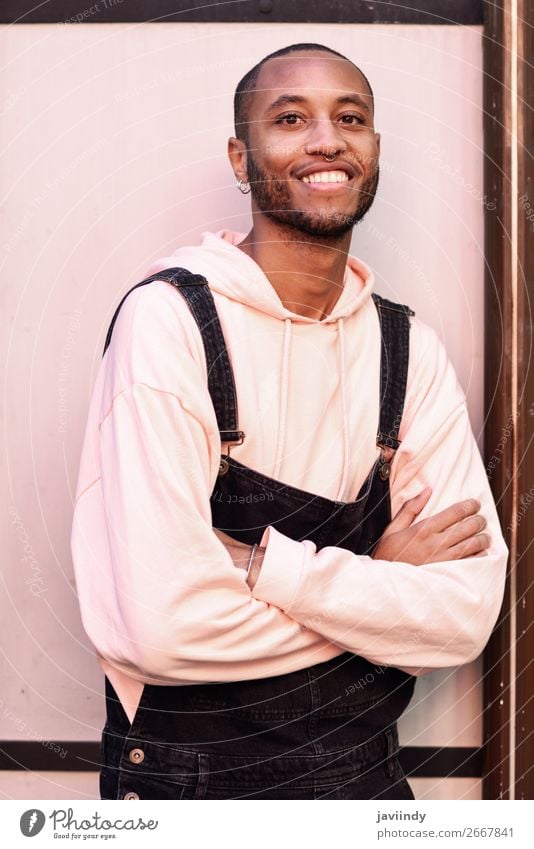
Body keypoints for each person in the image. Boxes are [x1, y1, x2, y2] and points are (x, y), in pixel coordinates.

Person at [71, 43, 508, 800]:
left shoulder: (410, 352)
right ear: (241, 159)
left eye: (351, 117)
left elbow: (464, 615)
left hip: (365, 785)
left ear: (373, 150)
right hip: (188, 791)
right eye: (290, 118)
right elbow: (156, 623)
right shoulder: (170, 323)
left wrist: (255, 567)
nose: (326, 139)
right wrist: (382, 585)